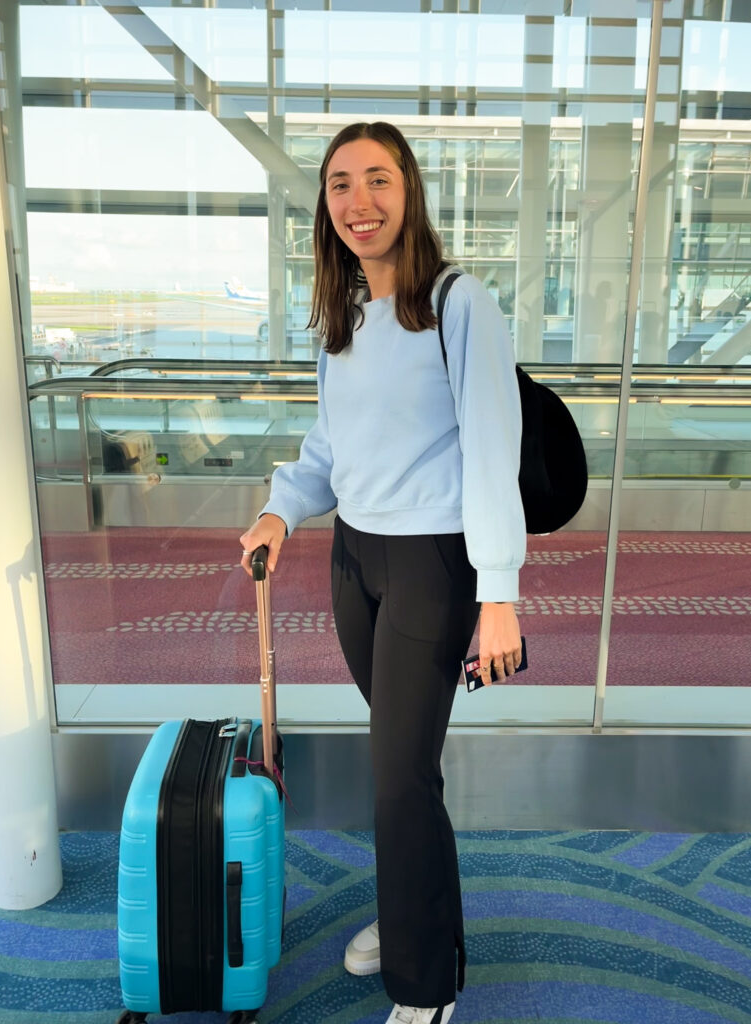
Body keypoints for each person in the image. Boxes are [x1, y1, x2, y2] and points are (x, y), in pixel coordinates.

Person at [240, 121, 526, 1024]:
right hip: (355, 557)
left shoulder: (458, 302)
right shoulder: (346, 316)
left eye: (377, 180)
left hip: (432, 565)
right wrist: (284, 505)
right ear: (325, 208)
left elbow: (492, 448)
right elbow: (333, 441)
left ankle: (425, 985)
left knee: (397, 776)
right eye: (339, 186)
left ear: (409, 192)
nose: (358, 202)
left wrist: (500, 593)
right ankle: (416, 920)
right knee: (406, 772)